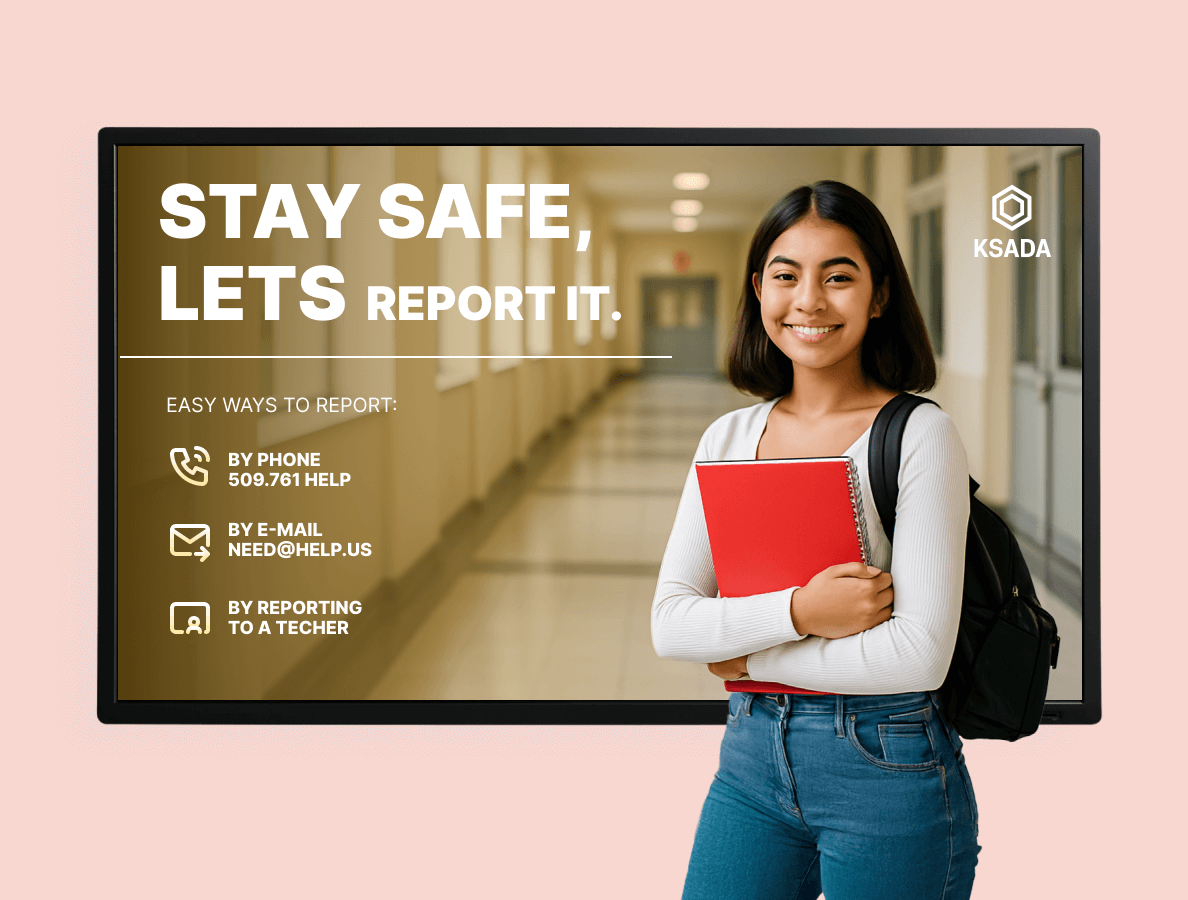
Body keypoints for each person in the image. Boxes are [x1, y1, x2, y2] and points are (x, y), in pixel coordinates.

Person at [652, 181, 979, 900]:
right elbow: (672, 624)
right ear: (758, 290)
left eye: (839, 276)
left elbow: (918, 656)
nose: (810, 300)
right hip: (749, 760)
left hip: (887, 763)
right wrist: (802, 610)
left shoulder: (920, 435)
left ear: (880, 295)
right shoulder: (729, 437)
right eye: (786, 275)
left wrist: (741, 650)